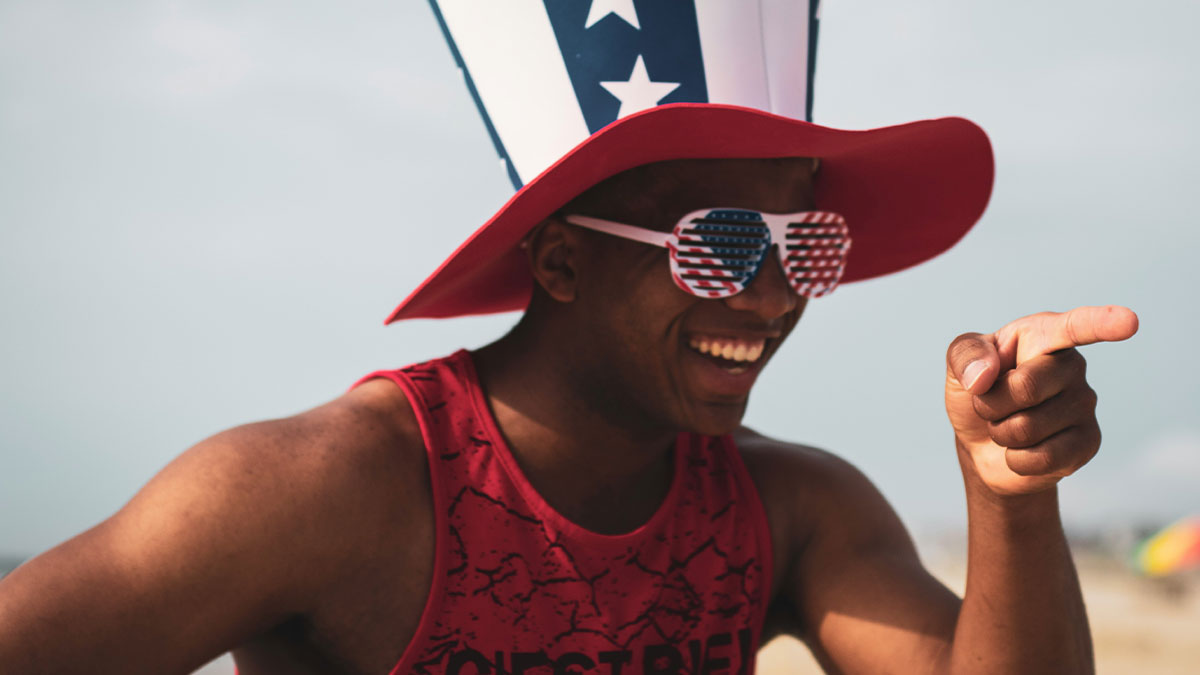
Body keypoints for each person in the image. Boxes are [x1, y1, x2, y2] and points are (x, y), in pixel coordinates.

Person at [0, 6, 1139, 675]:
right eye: (721, 239)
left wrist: (1010, 493)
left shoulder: (790, 513)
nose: (771, 293)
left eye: (806, 241)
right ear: (559, 261)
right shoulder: (323, 489)